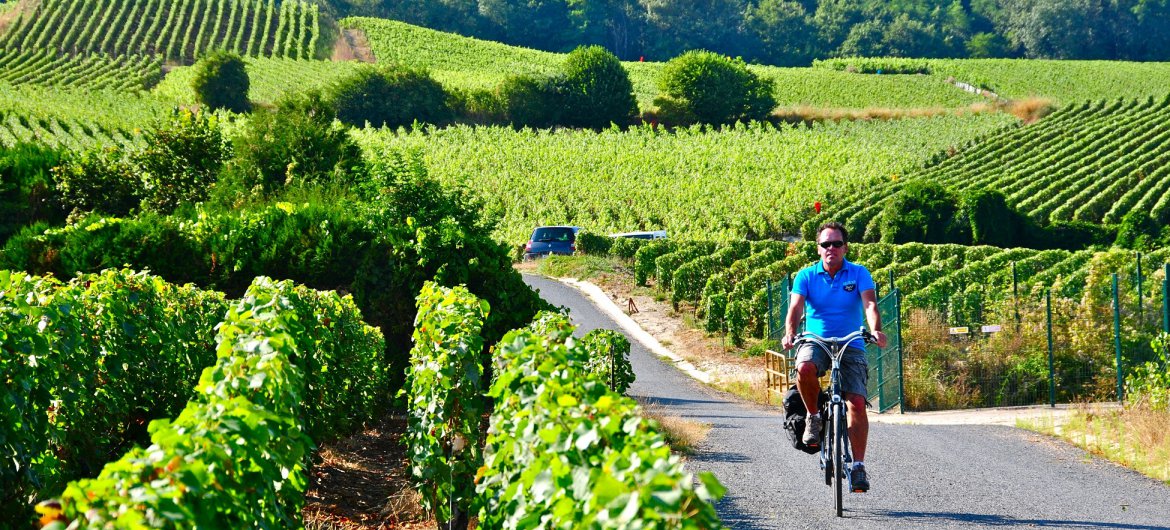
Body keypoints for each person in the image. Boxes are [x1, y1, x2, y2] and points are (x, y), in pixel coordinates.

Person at [781, 221, 887, 492]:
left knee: (857, 403)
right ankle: (814, 417)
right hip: (816, 340)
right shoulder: (806, 275)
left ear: (845, 247)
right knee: (804, 368)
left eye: (836, 244)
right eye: (825, 244)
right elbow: (795, 308)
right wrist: (790, 333)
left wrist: (875, 330)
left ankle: (858, 466)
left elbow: (870, 304)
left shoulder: (859, 273)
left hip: (851, 342)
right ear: (818, 249)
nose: (831, 249)